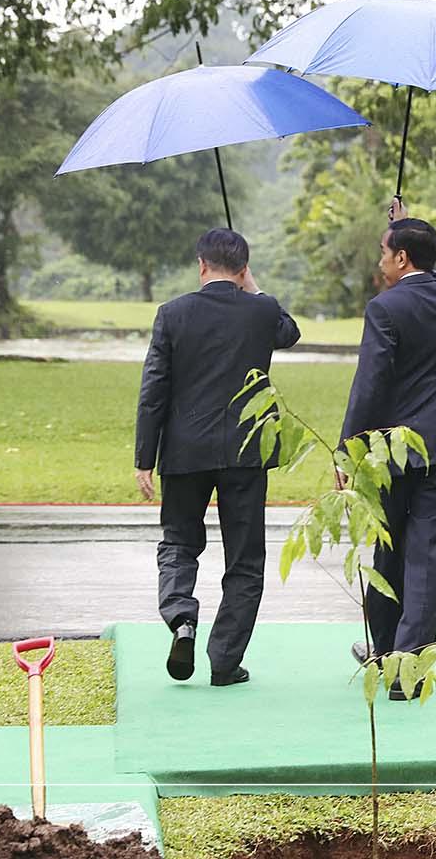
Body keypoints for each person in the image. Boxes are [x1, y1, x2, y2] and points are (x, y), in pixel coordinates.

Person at [134, 228, 300, 686]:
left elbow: (154, 391)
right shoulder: (262, 310)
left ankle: (181, 617)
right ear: (243, 268)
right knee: (245, 560)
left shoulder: (172, 314)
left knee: (179, 542)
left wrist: (145, 457)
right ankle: (225, 660)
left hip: (185, 450)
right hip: (246, 451)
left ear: (201, 265)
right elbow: (289, 332)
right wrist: (255, 288)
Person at [341, 216, 436, 700]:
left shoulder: (384, 308)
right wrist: (403, 225)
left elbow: (369, 386)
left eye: (385, 251)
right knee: (426, 555)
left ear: (401, 258)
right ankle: (405, 667)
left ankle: (386, 653)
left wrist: (348, 449)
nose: (380, 260)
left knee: (389, 547)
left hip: (393, 448)